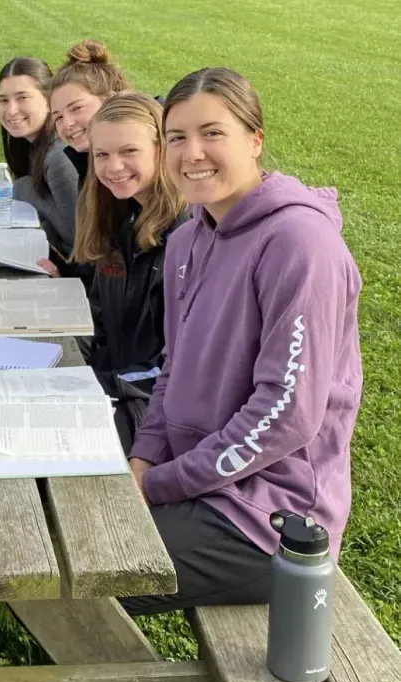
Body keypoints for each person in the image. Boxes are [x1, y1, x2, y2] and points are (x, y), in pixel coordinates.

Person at [121, 68, 363, 615]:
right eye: (176, 137)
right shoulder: (186, 239)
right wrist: (144, 457)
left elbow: (287, 413)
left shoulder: (300, 244)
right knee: (74, 524)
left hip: (271, 518)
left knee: (92, 568)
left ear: (255, 140)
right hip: (200, 480)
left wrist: (165, 483)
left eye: (213, 133)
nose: (192, 153)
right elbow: (173, 367)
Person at [72, 91, 188, 452]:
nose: (113, 167)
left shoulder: (187, 235)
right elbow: (100, 320)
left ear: (161, 149)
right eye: (102, 155)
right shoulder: (122, 220)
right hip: (116, 390)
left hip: (160, 414)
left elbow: (177, 365)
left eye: (128, 151)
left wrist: (92, 384)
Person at [0, 56, 81, 279]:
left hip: (85, 285)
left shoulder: (58, 156)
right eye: (3, 100)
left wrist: (25, 190)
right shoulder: (34, 148)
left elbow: (79, 238)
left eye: (22, 98)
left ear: (49, 100)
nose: (11, 110)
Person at [48, 40, 131, 190]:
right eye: (58, 117)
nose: (67, 124)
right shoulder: (86, 164)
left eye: (77, 108)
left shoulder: (153, 158)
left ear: (110, 99)